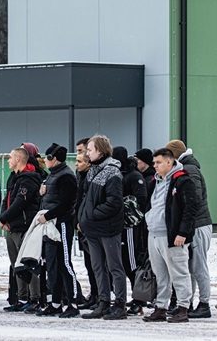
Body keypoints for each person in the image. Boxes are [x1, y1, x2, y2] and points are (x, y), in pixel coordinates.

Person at [142, 148, 198, 324]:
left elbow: (191, 208)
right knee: (160, 274)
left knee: (179, 273)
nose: (155, 166)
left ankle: (183, 307)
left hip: (172, 235)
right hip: (154, 234)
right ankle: (161, 307)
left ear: (169, 162)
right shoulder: (155, 181)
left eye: (158, 162)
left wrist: (182, 232)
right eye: (154, 163)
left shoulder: (182, 180)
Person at [78, 135, 128, 320]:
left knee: (114, 266)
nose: (87, 153)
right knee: (97, 266)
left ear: (100, 150)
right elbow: (85, 198)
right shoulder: (92, 171)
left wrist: (92, 214)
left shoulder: (112, 172)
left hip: (107, 228)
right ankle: (103, 302)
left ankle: (120, 304)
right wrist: (84, 217)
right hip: (92, 228)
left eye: (90, 150)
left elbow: (114, 203)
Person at [165, 139, 214, 319]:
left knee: (198, 266)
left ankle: (204, 303)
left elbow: (193, 201)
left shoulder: (189, 170)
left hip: (199, 225)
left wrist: (185, 226)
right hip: (196, 224)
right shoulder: (187, 168)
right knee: (191, 266)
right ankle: (190, 303)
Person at [36, 144, 79, 318]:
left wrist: (48, 216)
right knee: (52, 264)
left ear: (54, 159)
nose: (45, 161)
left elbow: (66, 204)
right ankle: (55, 302)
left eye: (47, 158)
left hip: (60, 224)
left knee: (64, 263)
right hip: (51, 225)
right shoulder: (53, 176)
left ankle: (73, 302)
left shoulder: (66, 176)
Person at [0, 146, 42, 313]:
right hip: (12, 227)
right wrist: (2, 217)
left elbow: (19, 203)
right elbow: (7, 199)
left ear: (18, 159)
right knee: (16, 264)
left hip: (24, 227)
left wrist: (5, 217)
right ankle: (21, 297)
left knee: (28, 263)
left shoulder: (29, 179)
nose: (9, 160)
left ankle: (34, 298)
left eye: (11, 158)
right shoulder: (14, 177)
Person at [112, 146, 149, 315]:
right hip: (120, 225)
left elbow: (141, 199)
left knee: (131, 262)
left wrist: (128, 211)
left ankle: (139, 299)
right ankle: (136, 298)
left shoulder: (133, 176)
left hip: (130, 226)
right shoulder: (122, 174)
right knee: (125, 263)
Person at [73, 139, 97, 310]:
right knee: (89, 264)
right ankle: (95, 294)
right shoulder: (80, 176)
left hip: (90, 225)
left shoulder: (92, 176)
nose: (80, 155)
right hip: (82, 224)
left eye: (83, 151)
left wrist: (84, 220)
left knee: (97, 264)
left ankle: (100, 295)